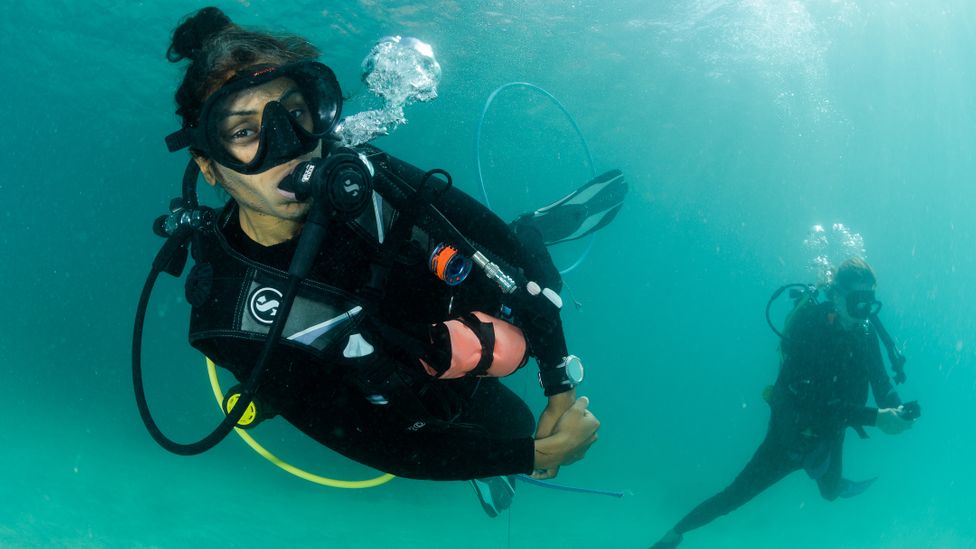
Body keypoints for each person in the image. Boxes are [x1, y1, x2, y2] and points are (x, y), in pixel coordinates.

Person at [157, 7, 624, 515]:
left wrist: (557, 383)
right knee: (500, 423)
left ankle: (535, 228)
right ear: (209, 167)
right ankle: (491, 465)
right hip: (395, 390)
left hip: (448, 315)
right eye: (244, 133)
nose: (288, 150)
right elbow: (385, 446)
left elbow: (505, 261)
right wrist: (531, 454)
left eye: (295, 114)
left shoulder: (359, 175)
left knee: (508, 268)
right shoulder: (229, 314)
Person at [649, 257, 916, 548]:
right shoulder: (811, 328)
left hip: (830, 433)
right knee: (735, 496)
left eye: (870, 300)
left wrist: (898, 409)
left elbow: (881, 383)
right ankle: (675, 533)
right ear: (836, 296)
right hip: (788, 437)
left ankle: (831, 481)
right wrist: (876, 418)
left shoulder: (865, 333)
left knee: (828, 494)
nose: (865, 310)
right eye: (858, 300)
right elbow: (814, 404)